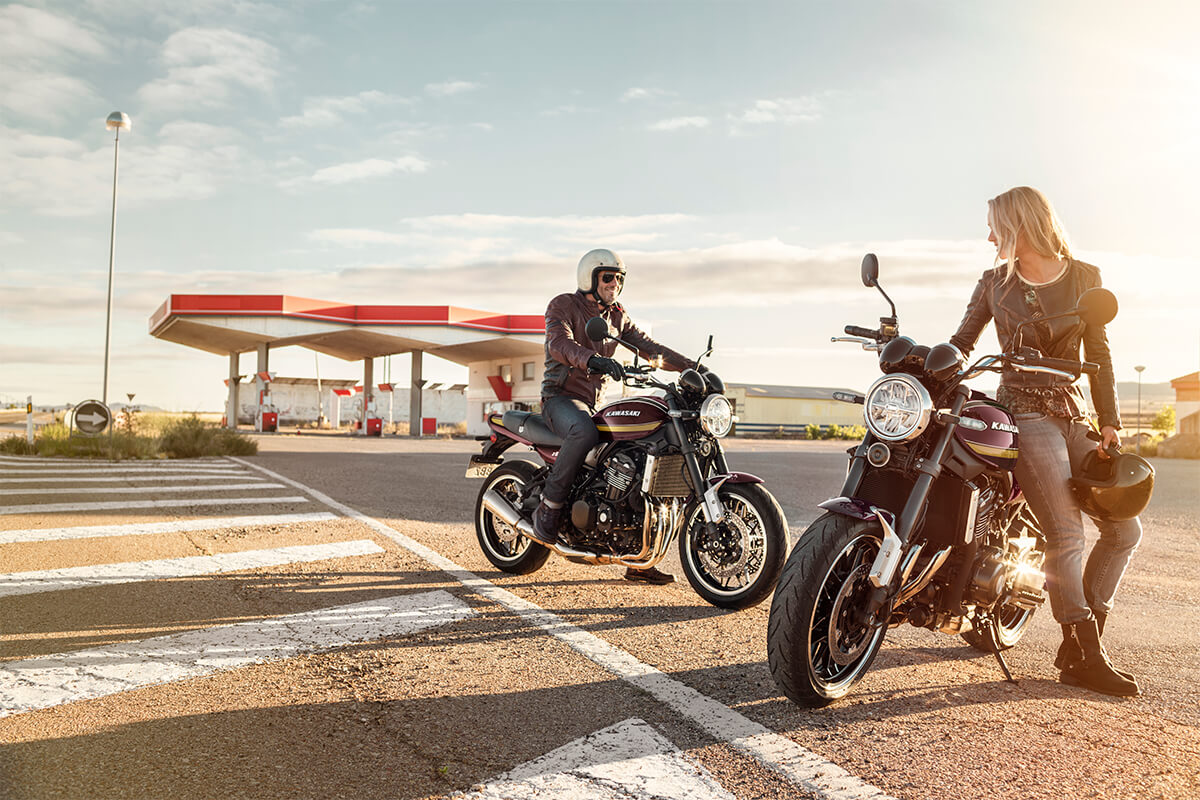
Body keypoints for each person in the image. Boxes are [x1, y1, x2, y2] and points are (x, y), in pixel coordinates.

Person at [949, 186, 1141, 697]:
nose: (988, 236)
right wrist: (921, 360)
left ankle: (1082, 638)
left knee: (1125, 530)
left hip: (1073, 413)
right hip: (1023, 413)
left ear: (1019, 225)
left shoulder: (1084, 279)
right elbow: (961, 342)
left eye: (995, 225)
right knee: (1068, 531)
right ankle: (1085, 655)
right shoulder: (994, 282)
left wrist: (1110, 421)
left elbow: (1100, 354)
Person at [532, 248, 698, 585]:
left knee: (646, 453)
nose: (615, 283)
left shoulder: (617, 317)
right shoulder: (563, 305)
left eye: (619, 278)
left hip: (595, 404)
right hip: (561, 399)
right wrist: (593, 360)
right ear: (590, 278)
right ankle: (548, 508)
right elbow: (558, 344)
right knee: (583, 432)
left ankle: (638, 557)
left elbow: (650, 348)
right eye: (608, 277)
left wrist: (693, 368)